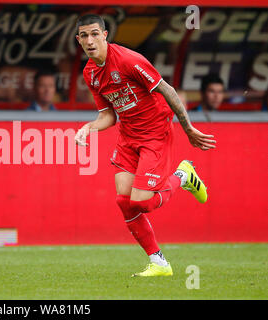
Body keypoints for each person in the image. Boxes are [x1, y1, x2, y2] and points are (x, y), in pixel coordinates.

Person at [73, 14, 216, 277]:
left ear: (105, 35)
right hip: (128, 136)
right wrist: (88, 128)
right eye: (84, 35)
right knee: (124, 201)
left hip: (154, 134)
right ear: (78, 40)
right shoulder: (90, 73)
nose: (90, 40)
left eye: (95, 34)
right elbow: (108, 115)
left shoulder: (128, 60)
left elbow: (168, 90)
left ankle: (183, 175)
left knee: (141, 202)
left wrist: (188, 129)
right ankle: (159, 263)